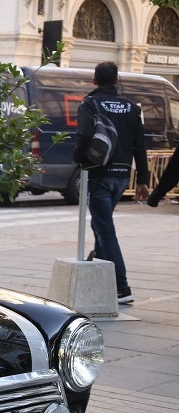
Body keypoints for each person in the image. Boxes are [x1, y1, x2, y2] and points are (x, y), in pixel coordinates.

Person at [73, 61, 150, 305]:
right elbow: (140, 144)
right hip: (122, 176)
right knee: (101, 223)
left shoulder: (91, 104)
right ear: (116, 80)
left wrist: (79, 159)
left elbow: (84, 135)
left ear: (95, 81)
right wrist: (143, 181)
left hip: (100, 174)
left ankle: (122, 287)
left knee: (105, 230)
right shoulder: (131, 107)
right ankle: (98, 266)